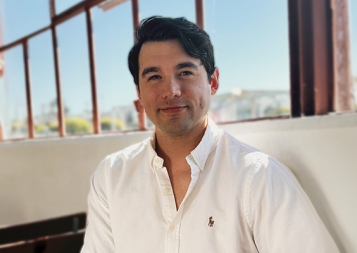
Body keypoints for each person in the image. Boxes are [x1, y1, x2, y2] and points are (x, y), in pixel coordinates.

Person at [81, 16, 339, 253]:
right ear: (139, 92)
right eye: (154, 77)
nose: (171, 91)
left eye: (185, 73)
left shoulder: (258, 178)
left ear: (213, 81)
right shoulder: (111, 176)